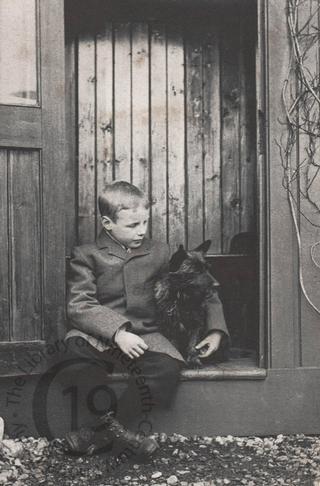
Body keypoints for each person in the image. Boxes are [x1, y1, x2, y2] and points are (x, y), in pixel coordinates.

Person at [64, 180, 229, 459]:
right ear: (107, 223)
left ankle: (101, 433)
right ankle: (122, 435)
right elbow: (80, 304)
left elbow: (198, 287)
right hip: (98, 335)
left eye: (144, 223)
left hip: (147, 335)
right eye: (132, 225)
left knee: (167, 368)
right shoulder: (87, 255)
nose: (141, 231)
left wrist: (216, 330)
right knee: (72, 356)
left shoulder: (161, 252)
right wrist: (117, 332)